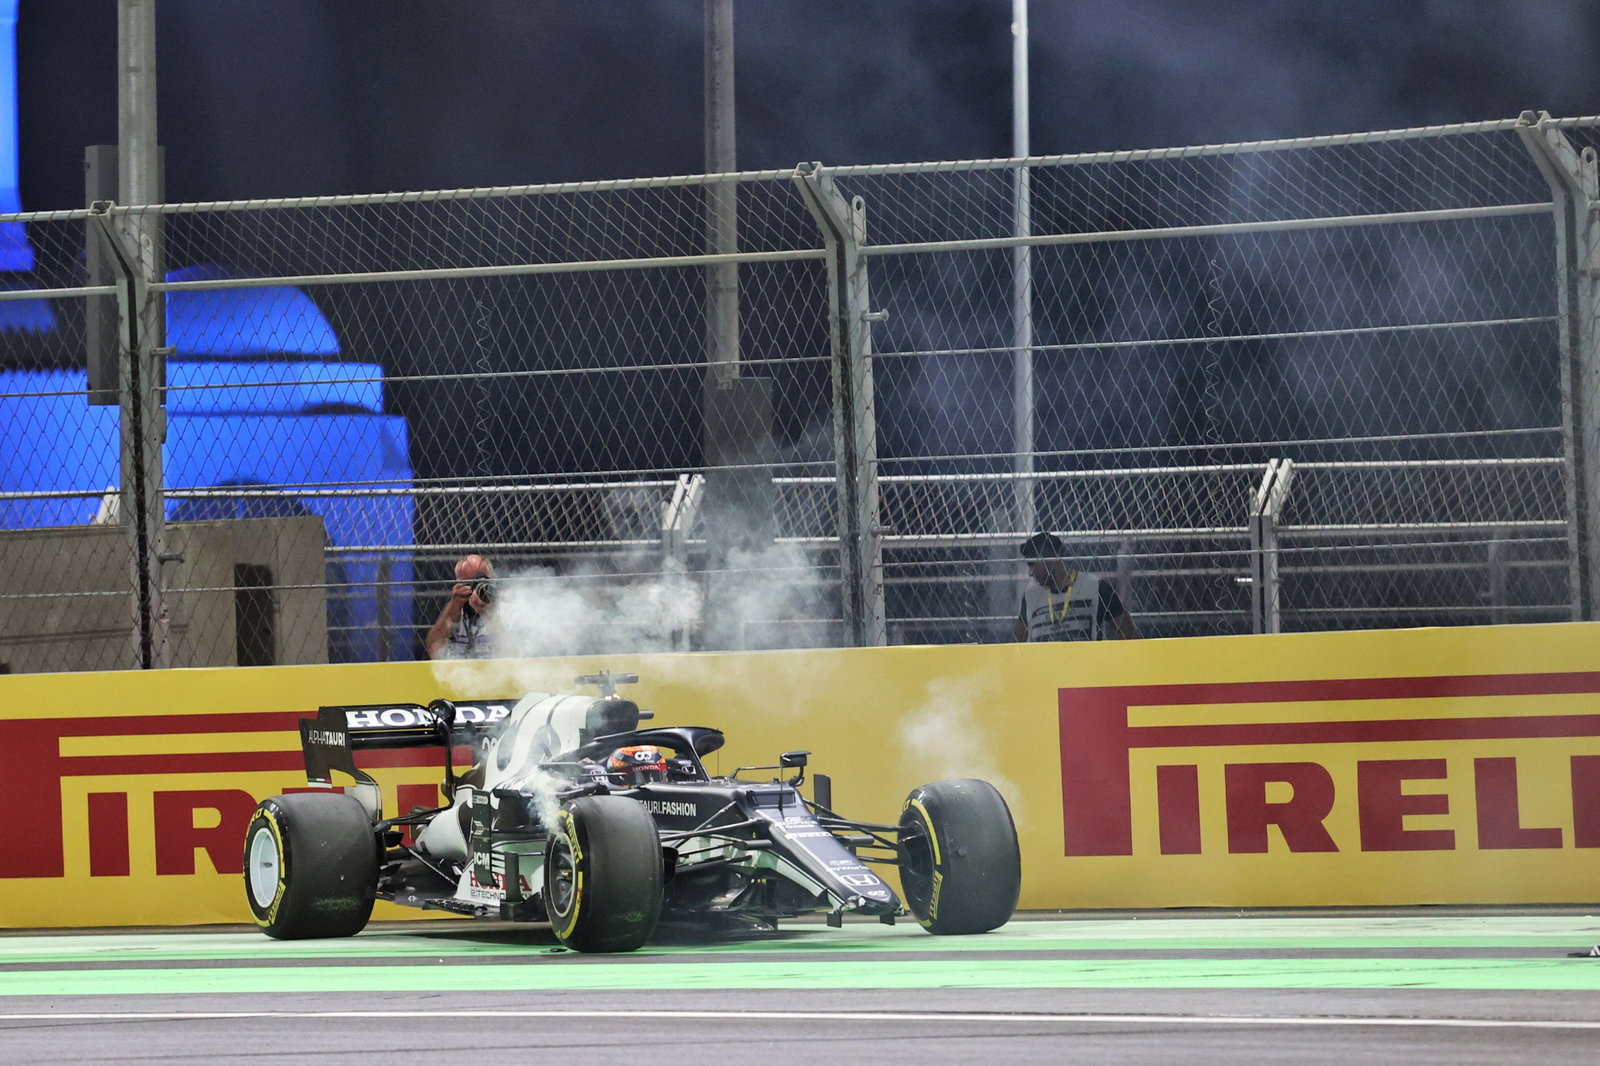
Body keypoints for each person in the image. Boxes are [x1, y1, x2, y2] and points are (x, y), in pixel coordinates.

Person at [1011, 531, 1138, 643]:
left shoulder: (1095, 587)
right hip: (1044, 668)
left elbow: (1128, 633)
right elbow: (1015, 644)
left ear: (1051, 556)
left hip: (1085, 667)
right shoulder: (1030, 597)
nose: (1030, 572)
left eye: (1032, 564)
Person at [425, 554, 497, 659]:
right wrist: (453, 607)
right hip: (460, 672)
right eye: (469, 583)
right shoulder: (455, 610)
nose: (475, 587)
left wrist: (489, 613)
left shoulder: (508, 609)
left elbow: (514, 652)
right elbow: (434, 649)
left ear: (492, 580)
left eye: (481, 581)